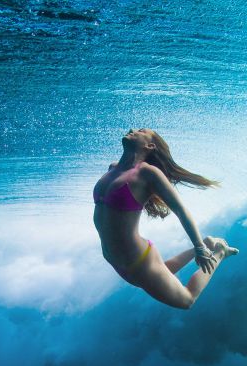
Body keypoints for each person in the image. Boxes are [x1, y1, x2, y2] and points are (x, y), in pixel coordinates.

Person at [93, 128, 238, 309]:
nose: (133, 130)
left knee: (187, 300)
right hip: (116, 261)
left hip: (138, 261)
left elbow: (180, 210)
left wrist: (199, 247)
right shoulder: (112, 169)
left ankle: (220, 252)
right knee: (163, 272)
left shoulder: (148, 173)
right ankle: (207, 243)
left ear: (150, 145)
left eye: (141, 130)